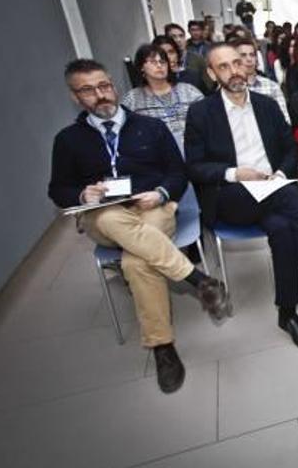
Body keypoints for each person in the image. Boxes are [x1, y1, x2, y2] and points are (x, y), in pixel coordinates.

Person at [50, 59, 228, 393]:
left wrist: (161, 192)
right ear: (75, 97)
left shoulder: (150, 127)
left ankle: (162, 347)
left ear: (114, 87)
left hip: (151, 208)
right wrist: (81, 192)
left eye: (104, 86)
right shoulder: (68, 140)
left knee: (136, 262)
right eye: (88, 90)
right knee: (107, 215)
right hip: (104, 216)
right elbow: (57, 189)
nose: (100, 95)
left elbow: (178, 172)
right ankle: (197, 278)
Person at [184, 44, 298, 352]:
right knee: (290, 199)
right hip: (231, 195)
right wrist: (234, 173)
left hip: (274, 188)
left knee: (283, 227)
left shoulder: (266, 105)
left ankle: (288, 313)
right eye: (224, 67)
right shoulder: (202, 112)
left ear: (247, 65)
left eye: (237, 63)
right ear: (211, 73)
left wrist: (281, 175)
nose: (234, 72)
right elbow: (195, 166)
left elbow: (290, 149)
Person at [121, 44, 203, 154]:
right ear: (141, 67)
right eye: (153, 62)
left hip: (195, 151)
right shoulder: (132, 99)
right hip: (155, 156)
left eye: (163, 62)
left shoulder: (189, 91)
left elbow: (207, 121)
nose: (159, 66)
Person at [163, 24, 213, 94]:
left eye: (181, 36)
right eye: (173, 37)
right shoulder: (163, 62)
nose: (178, 40)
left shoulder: (196, 59)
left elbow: (208, 84)